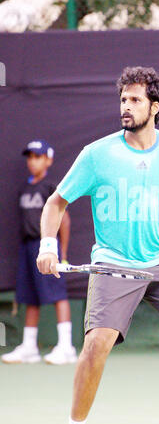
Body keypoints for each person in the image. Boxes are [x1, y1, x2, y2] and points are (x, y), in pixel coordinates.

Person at [36, 66, 159, 424]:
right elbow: (55, 203)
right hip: (113, 262)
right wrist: (48, 247)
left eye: (135, 100)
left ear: (154, 106)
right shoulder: (96, 155)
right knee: (96, 346)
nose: (126, 106)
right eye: (123, 99)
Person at [2, 140, 77, 365]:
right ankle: (29, 347)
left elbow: (64, 220)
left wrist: (59, 251)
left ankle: (66, 347)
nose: (33, 161)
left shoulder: (51, 188)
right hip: (27, 248)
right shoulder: (24, 188)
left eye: (38, 156)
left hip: (47, 247)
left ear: (48, 160)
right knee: (29, 296)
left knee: (57, 295)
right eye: (30, 156)